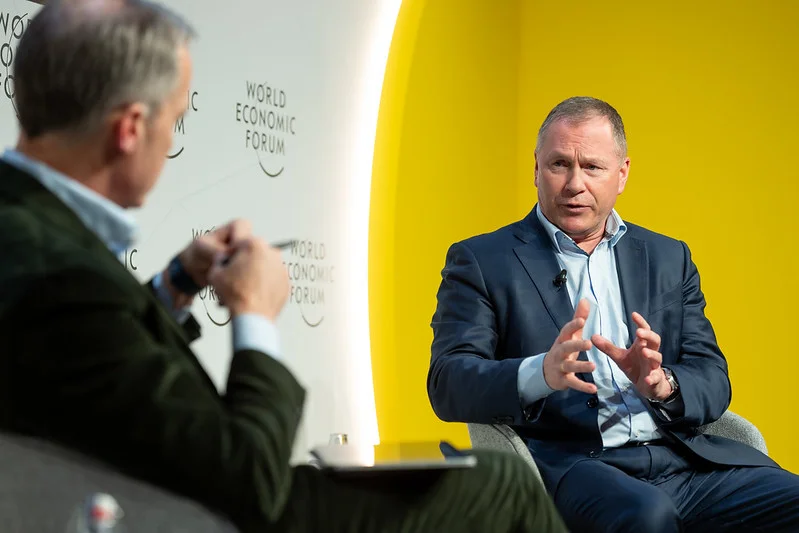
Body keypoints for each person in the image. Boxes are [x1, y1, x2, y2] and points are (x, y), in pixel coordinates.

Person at [0, 1, 568, 532]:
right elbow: (250, 477)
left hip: (190, 484)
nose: (171, 139)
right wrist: (254, 314)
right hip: (233, 503)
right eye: (174, 120)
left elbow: (104, 360)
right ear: (129, 130)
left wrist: (176, 285)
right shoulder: (59, 278)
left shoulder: (29, 233)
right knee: (507, 485)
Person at [429, 95, 799, 532]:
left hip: (680, 459)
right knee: (647, 515)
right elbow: (448, 381)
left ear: (621, 174)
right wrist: (540, 373)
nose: (575, 183)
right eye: (559, 164)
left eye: (592, 167)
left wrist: (663, 384)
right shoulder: (482, 260)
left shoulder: (668, 257)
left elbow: (713, 378)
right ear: (536, 169)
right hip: (575, 466)